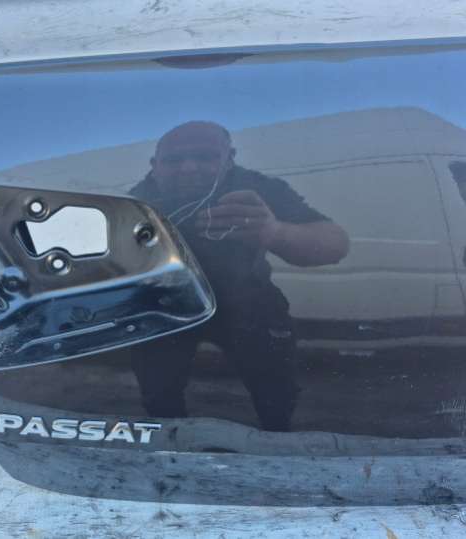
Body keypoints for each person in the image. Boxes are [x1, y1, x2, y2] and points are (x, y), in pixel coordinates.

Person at [129, 121, 349, 431]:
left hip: (247, 301)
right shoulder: (137, 200)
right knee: (157, 387)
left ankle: (277, 431)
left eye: (205, 157)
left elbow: (336, 243)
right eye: (174, 160)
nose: (189, 168)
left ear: (229, 158)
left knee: (275, 386)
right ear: (155, 166)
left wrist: (275, 232)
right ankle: (168, 435)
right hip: (167, 304)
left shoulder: (254, 188)